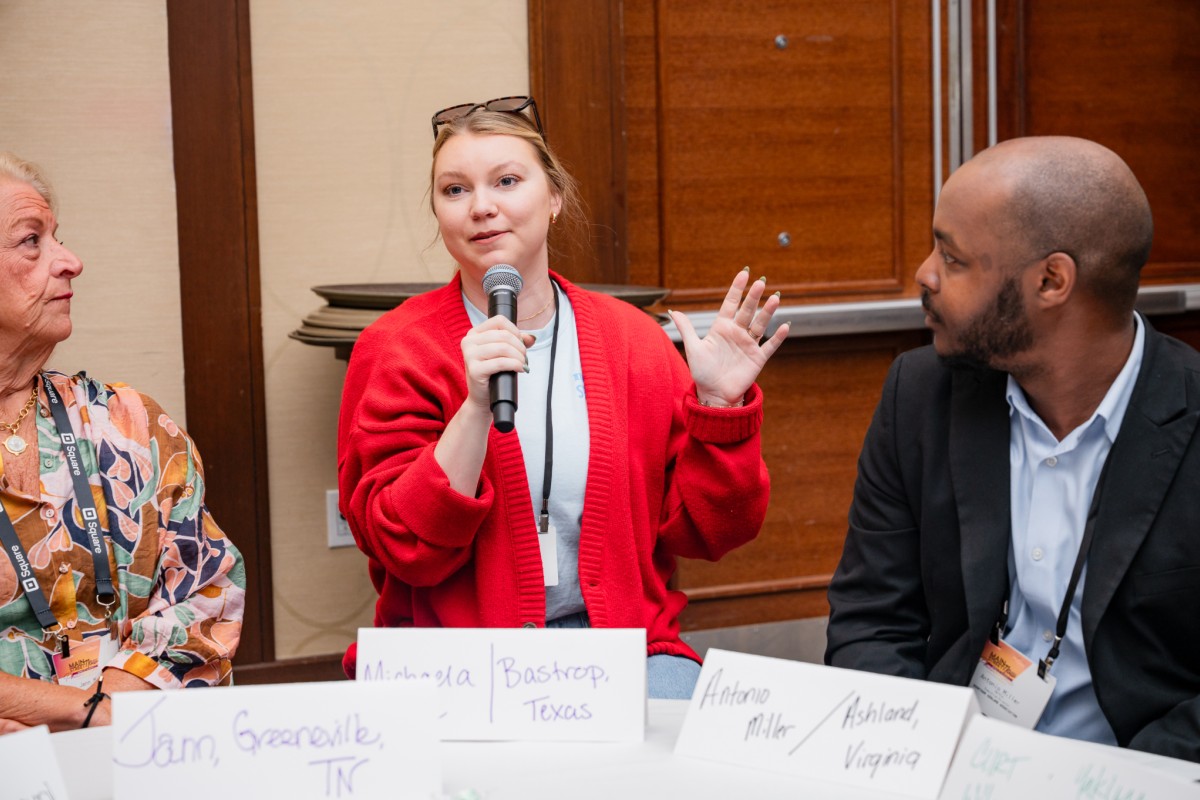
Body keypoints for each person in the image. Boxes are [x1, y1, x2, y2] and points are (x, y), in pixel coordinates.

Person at [339, 96, 789, 698]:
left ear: (553, 198)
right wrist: (474, 406)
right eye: (455, 190)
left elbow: (712, 532)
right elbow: (404, 547)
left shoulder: (633, 341)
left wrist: (720, 411)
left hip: (623, 647)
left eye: (506, 181)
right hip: (456, 657)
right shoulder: (396, 348)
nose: (481, 207)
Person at [825, 136, 1200, 761]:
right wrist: (907, 759)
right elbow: (872, 617)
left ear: (1051, 280)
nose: (924, 273)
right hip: (948, 765)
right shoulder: (920, 396)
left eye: (953, 257)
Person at [0, 153, 245, 733]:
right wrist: (81, 714)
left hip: (136, 742)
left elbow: (206, 589)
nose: (71, 262)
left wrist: (113, 718)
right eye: (32, 242)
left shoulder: (130, 423)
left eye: (58, 237)